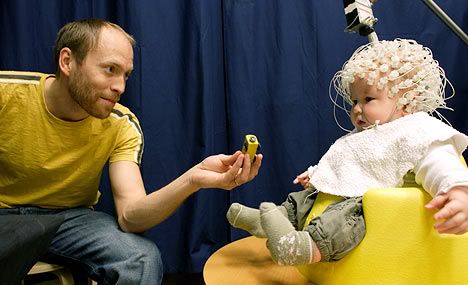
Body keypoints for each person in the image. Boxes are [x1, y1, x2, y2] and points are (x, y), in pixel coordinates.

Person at [0, 19, 262, 284]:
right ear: (67, 61)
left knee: (140, 257)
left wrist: (193, 179)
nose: (120, 87)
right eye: (110, 69)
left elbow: (130, 217)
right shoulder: (6, 93)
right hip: (3, 216)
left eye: (125, 75)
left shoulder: (121, 123)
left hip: (69, 222)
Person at [227, 38, 468, 266]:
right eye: (354, 101)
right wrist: (318, 174)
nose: (357, 109)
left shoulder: (418, 130)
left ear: (406, 102)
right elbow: (350, 160)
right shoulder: (367, 134)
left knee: (347, 218)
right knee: (306, 199)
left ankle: (305, 248)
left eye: (368, 99)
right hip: (349, 197)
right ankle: (272, 219)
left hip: (380, 210)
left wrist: (458, 193)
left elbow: (441, 164)